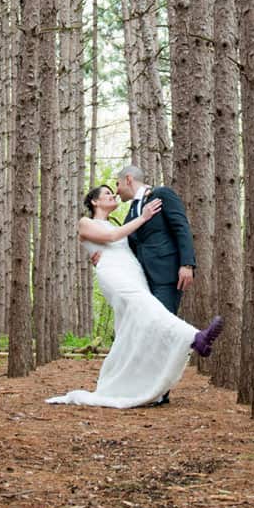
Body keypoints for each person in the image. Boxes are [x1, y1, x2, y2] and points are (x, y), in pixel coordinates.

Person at [47, 184, 223, 410]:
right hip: (114, 275)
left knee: (134, 328)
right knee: (148, 307)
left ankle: (133, 383)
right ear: (94, 202)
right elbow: (110, 237)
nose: (113, 196)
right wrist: (144, 216)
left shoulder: (118, 224)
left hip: (134, 274)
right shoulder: (86, 222)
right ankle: (195, 338)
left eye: (113, 192)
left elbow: (129, 242)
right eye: (107, 194)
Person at [116, 161, 195, 405]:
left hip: (167, 275)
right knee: (148, 331)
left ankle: (161, 391)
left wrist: (188, 264)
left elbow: (181, 227)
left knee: (162, 329)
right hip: (143, 280)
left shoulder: (162, 194)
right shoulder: (132, 212)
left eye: (118, 184)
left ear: (129, 179)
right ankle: (150, 388)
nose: (117, 190)